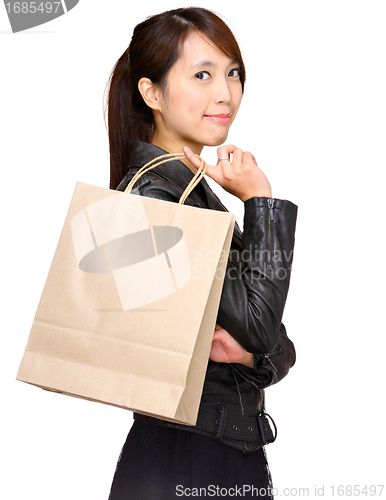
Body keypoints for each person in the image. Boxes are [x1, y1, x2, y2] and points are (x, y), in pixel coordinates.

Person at [105, 7, 297, 499]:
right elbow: (260, 327)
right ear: (152, 93)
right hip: (187, 457)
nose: (225, 93)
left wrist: (257, 354)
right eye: (202, 75)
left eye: (233, 73)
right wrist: (260, 204)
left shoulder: (192, 191)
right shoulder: (157, 197)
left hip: (213, 451)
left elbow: (276, 344)